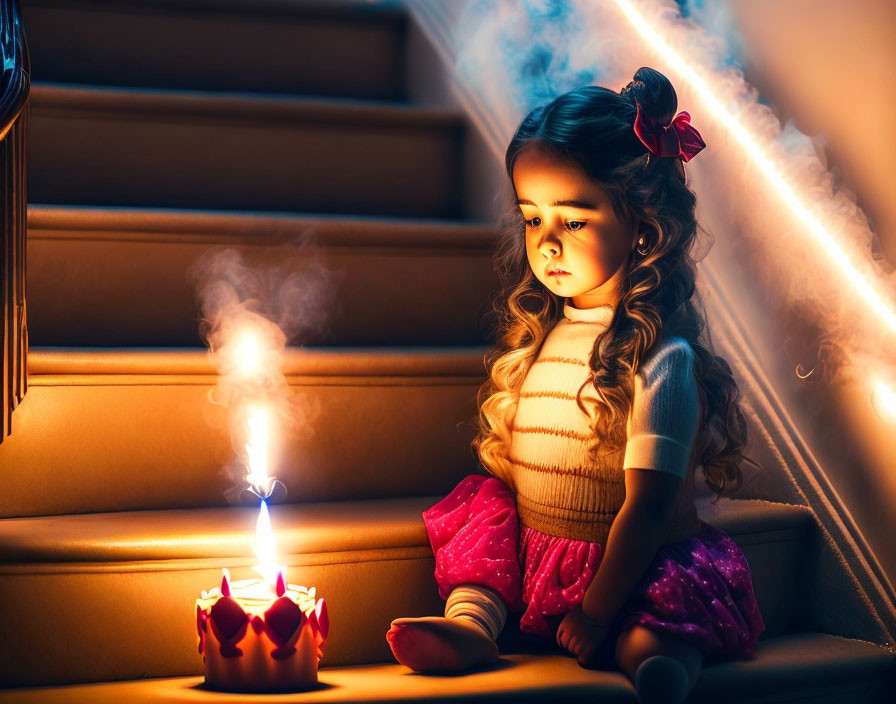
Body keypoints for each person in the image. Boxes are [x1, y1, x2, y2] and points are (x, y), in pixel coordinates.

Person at [386, 66, 765, 704]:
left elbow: (647, 507)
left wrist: (594, 611)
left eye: (574, 221)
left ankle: (657, 656)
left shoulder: (661, 358)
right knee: (485, 514)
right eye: (533, 220)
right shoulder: (547, 335)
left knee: (661, 616)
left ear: (644, 225)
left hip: (629, 563)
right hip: (542, 550)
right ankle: (472, 625)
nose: (547, 245)